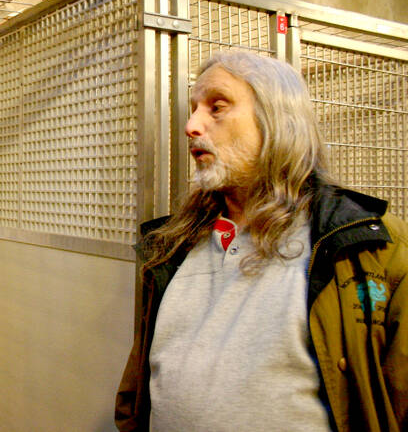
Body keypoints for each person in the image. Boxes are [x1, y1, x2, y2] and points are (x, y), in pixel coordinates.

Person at [115, 51, 407, 431]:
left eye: (216, 107)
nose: (191, 125)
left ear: (277, 121)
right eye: (193, 109)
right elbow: (141, 384)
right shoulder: (173, 245)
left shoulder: (366, 243)